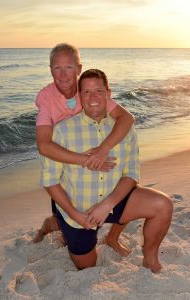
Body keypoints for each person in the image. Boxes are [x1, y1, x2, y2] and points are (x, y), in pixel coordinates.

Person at [40, 69, 173, 273]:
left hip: (113, 201)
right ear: (79, 96)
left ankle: (150, 259)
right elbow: (50, 181)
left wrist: (107, 204)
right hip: (79, 211)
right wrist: (75, 215)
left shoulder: (124, 128)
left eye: (99, 91)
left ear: (108, 94)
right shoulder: (62, 130)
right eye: (86, 92)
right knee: (88, 266)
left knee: (163, 205)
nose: (93, 97)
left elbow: (131, 175)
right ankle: (54, 223)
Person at [33, 43, 134, 245]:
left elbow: (126, 118)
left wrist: (103, 149)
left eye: (69, 67)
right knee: (61, 218)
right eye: (57, 68)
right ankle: (45, 229)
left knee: (128, 192)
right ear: (50, 69)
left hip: (98, 156)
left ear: (79, 68)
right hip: (66, 164)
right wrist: (86, 160)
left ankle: (112, 238)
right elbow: (44, 146)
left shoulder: (89, 91)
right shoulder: (46, 97)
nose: (63, 75)